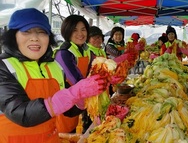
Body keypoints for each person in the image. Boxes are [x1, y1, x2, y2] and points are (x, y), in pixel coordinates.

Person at [0, 8, 108, 142]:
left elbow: (69, 110)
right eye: (26, 32)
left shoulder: (54, 67)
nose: (35, 38)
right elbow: (20, 113)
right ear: (13, 37)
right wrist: (73, 93)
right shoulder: (4, 67)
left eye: (41, 33)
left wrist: (84, 98)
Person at [54, 14, 94, 133]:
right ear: (67, 32)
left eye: (83, 29)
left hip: (79, 101)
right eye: (75, 30)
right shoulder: (64, 53)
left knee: (74, 131)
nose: (80, 34)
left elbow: (96, 68)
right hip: (65, 104)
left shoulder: (85, 50)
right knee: (64, 133)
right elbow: (76, 80)